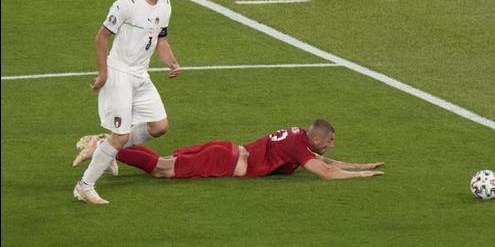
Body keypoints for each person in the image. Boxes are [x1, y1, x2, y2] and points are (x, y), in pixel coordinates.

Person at [73, 0, 181, 205]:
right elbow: (101, 37)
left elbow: (160, 39)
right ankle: (84, 186)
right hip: (119, 73)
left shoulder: (165, 5)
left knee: (160, 126)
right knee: (120, 137)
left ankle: (104, 145)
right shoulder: (127, 5)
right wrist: (103, 74)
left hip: (140, 74)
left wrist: (171, 62)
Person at [73, 120, 384, 183]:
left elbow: (323, 161)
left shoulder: (298, 137)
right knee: (161, 169)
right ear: (317, 139)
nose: (330, 146)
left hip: (226, 150)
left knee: (164, 164)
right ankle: (105, 146)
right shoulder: (298, 146)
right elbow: (326, 173)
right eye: (329, 141)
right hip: (225, 159)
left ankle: (109, 146)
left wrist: (359, 164)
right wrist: (366, 175)